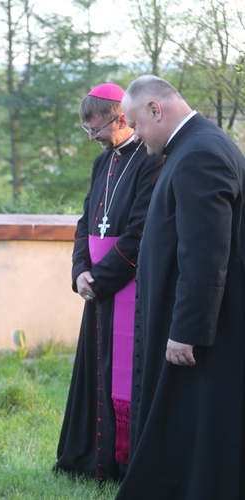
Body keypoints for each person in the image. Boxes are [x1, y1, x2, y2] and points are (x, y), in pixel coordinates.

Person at [115, 76, 245, 498]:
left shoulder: (200, 154)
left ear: (156, 110)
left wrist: (186, 330)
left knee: (196, 419)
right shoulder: (194, 146)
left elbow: (205, 252)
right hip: (193, 319)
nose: (135, 136)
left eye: (136, 124)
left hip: (203, 329)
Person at [54, 83, 162, 482]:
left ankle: (119, 465)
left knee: (122, 374)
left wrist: (100, 279)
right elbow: (86, 221)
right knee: (92, 374)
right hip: (96, 288)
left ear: (120, 118)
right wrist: (79, 271)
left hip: (126, 288)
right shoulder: (102, 163)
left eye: (96, 130)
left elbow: (140, 232)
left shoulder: (150, 159)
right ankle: (86, 460)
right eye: (87, 131)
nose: (93, 139)